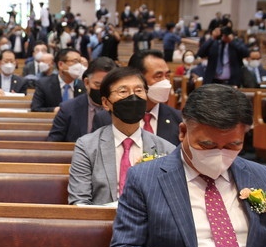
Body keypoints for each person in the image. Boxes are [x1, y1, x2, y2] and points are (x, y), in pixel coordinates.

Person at [109, 84, 266, 247]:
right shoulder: (146, 178)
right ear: (183, 132)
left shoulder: (260, 176)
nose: (219, 153)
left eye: (232, 145)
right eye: (207, 145)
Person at [68, 66, 176, 205]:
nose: (133, 97)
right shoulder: (88, 146)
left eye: (138, 91)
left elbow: (171, 200)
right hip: (102, 223)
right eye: (123, 91)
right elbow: (79, 202)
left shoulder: (166, 149)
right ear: (106, 103)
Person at [47, 57, 116, 142]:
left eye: (108, 86)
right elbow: (53, 143)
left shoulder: (121, 108)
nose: (103, 90)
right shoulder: (68, 108)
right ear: (87, 83)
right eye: (98, 85)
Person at [127, 50, 181, 146]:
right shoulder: (109, 118)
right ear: (136, 78)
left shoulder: (178, 119)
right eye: (158, 76)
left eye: (167, 76)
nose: (165, 82)